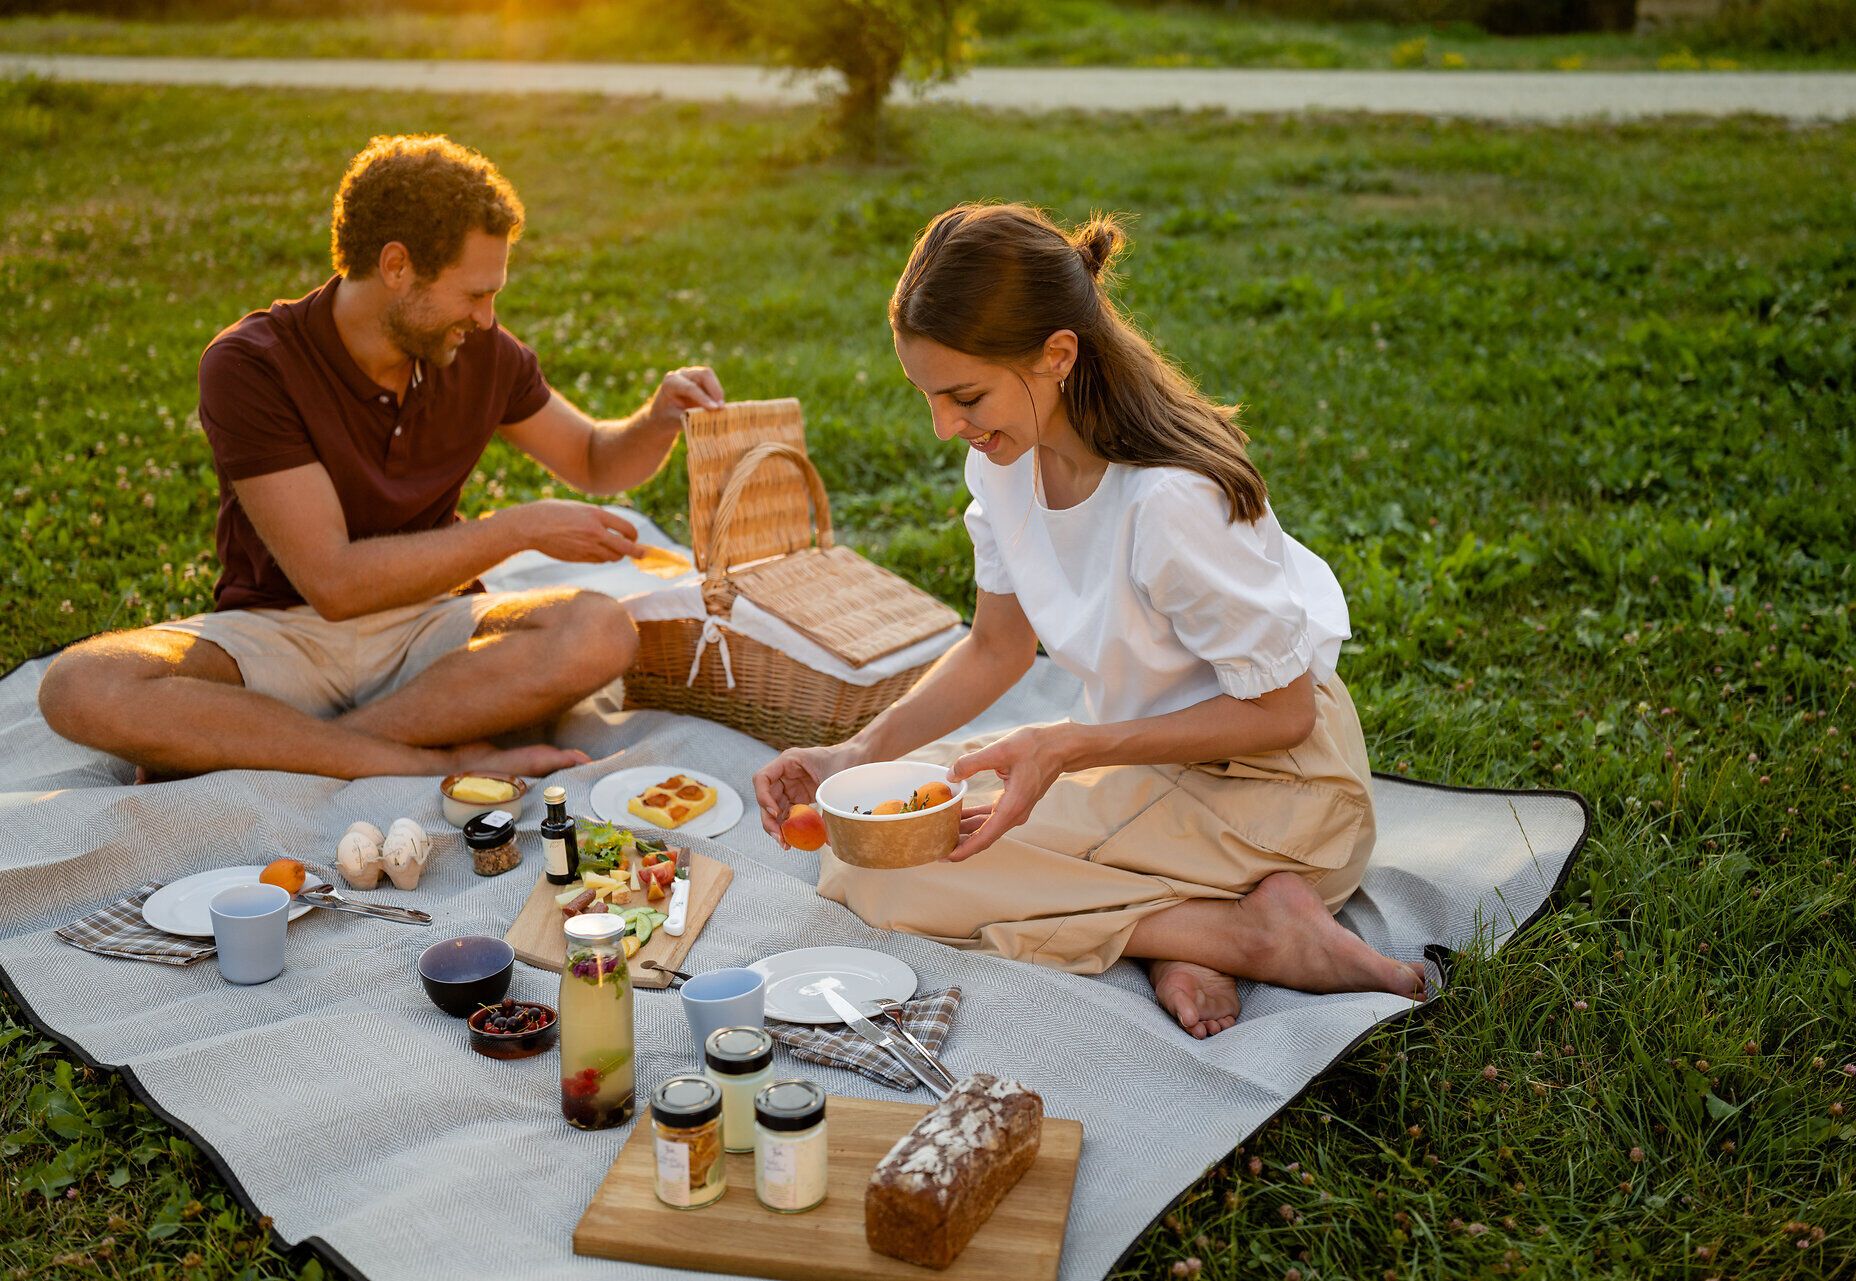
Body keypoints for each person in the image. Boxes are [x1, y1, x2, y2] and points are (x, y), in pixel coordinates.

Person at [754, 203, 1424, 1038]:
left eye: (965, 395)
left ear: (1058, 354)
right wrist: (856, 754)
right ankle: (1199, 926)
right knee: (874, 830)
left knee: (886, 877)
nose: (945, 427)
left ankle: (1246, 935)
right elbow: (996, 649)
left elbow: (1285, 713)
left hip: (1282, 796)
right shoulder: (1004, 464)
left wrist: (1071, 746)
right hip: (1145, 767)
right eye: (928, 396)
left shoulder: (1170, 499)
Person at [38, 134, 724, 781]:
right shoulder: (253, 364)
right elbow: (334, 584)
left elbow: (596, 459)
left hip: (428, 628)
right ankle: (424, 761)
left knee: (598, 630)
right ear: (396, 266)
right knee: (81, 684)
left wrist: (658, 416)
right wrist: (518, 529)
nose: (486, 317)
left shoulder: (481, 352)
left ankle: (292, 746)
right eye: (475, 293)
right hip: (280, 632)